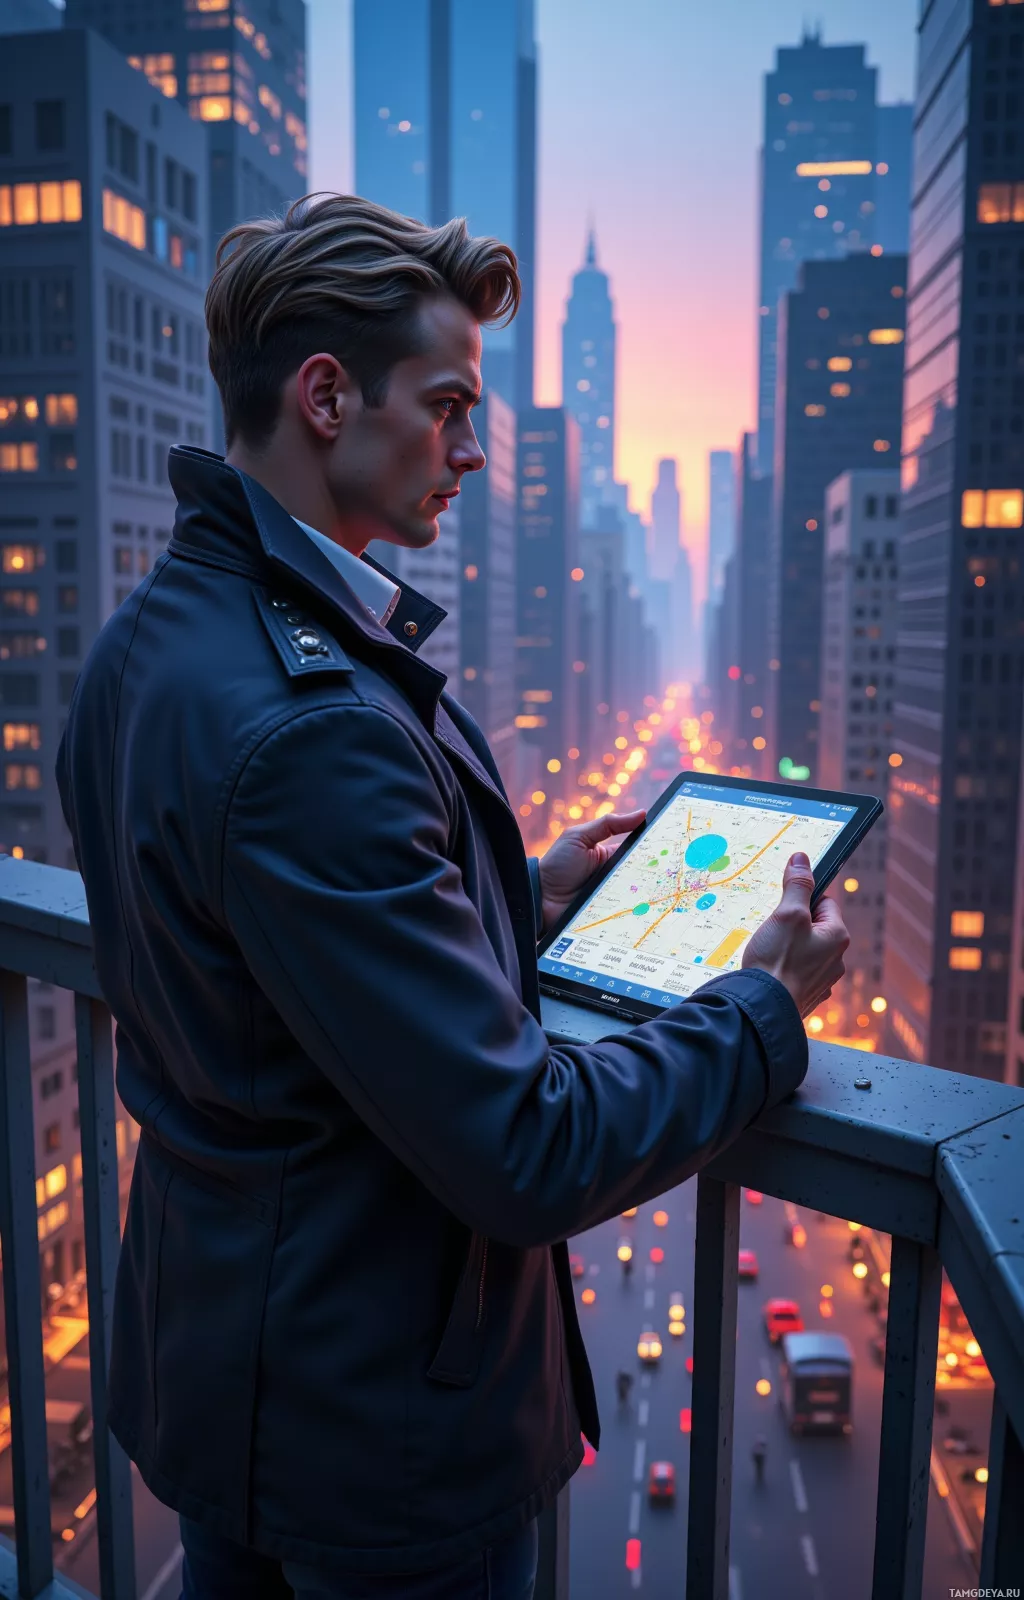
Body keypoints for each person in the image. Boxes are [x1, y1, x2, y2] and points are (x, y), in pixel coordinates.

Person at [56, 194, 848, 1600]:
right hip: (378, 1437)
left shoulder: (147, 644)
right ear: (323, 397)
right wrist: (762, 1012)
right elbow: (523, 1149)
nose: (474, 450)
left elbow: (262, 977)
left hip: (235, 1369)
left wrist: (514, 893)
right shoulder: (313, 728)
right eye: (448, 404)